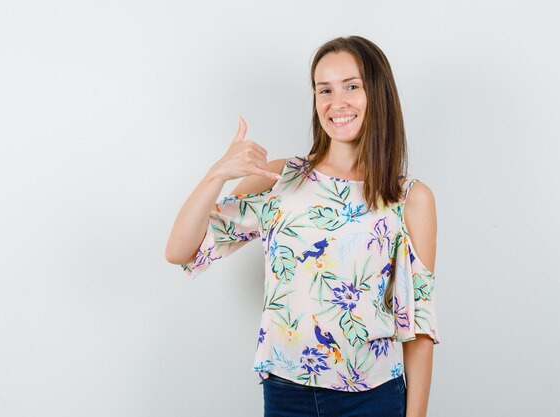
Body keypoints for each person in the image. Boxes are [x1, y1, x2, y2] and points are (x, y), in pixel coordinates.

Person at [165, 35, 439, 417]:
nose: (336, 102)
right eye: (323, 89)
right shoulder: (280, 179)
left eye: (352, 86)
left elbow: (418, 324)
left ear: (377, 93)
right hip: (286, 394)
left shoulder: (409, 197)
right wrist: (218, 175)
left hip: (372, 397)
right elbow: (179, 251)